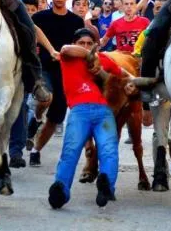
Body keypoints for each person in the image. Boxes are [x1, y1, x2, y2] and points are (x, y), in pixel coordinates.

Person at [48, 28, 120, 209]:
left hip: (103, 110)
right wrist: (91, 56)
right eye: (82, 43)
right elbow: (65, 49)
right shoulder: (68, 56)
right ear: (76, 43)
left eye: (90, 43)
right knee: (70, 151)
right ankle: (61, 191)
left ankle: (106, 186)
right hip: (79, 111)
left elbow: (122, 76)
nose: (86, 46)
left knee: (109, 150)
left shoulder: (103, 59)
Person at [31, 0, 84, 165]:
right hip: (44, 67)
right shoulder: (40, 18)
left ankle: (36, 150)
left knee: (56, 117)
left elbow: (81, 45)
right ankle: (36, 118)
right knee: (46, 97)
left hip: (66, 71)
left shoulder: (76, 21)